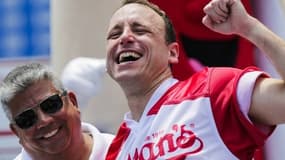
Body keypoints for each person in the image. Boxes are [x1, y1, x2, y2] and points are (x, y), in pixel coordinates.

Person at [103, 0, 285, 159]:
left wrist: (249, 27)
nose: (125, 38)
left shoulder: (212, 91)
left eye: (140, 30)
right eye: (114, 34)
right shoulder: (116, 150)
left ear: (172, 52)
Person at [0, 63, 113, 160]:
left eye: (51, 105)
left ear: (73, 102)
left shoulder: (123, 152)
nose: (44, 121)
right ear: (16, 132)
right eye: (27, 118)